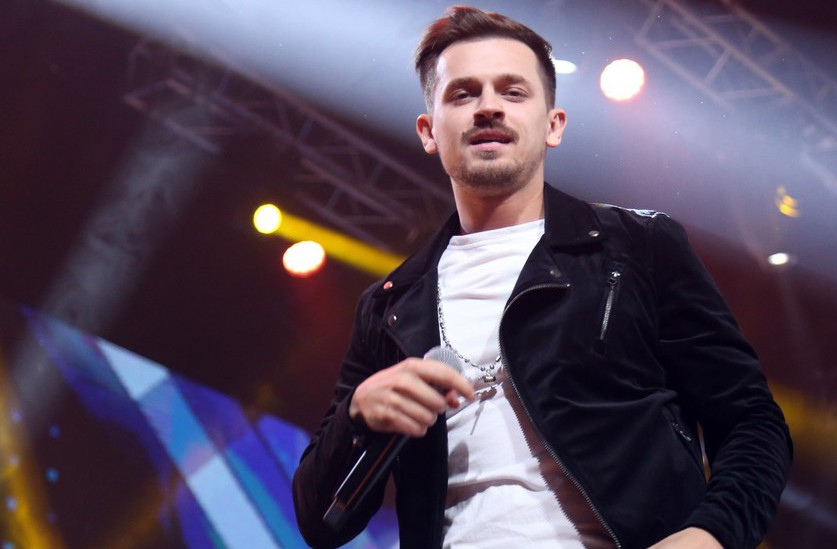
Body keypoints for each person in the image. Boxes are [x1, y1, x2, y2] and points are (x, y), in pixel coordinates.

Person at [293, 5, 792, 549]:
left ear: (553, 125)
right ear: (429, 131)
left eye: (513, 92)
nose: (488, 107)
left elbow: (752, 422)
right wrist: (358, 417)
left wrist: (710, 535)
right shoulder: (391, 306)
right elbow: (320, 522)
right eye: (463, 94)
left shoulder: (637, 247)